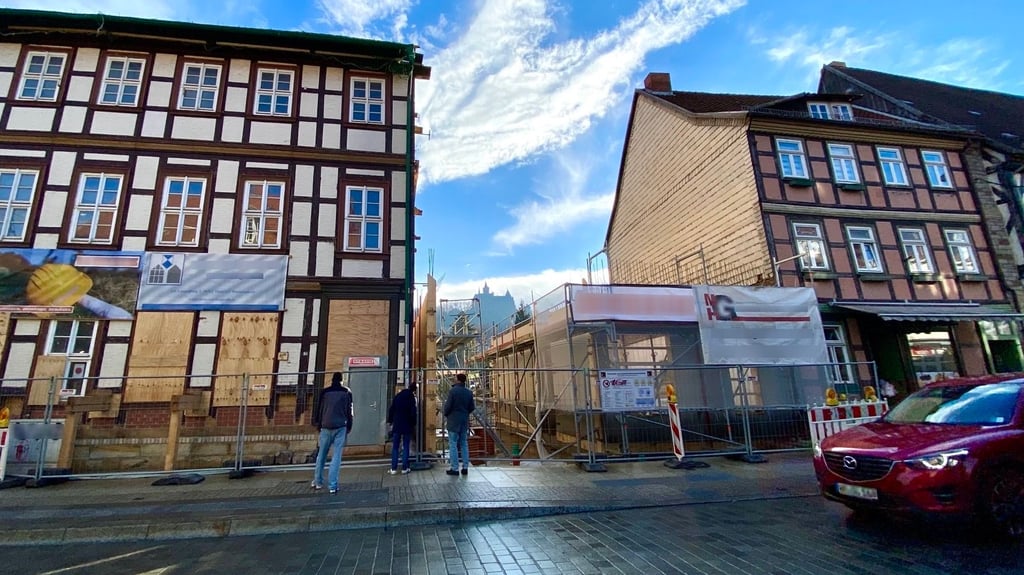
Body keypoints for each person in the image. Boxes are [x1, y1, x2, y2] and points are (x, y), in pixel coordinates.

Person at [311, 372, 354, 494]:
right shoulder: (346, 392)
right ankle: (332, 485)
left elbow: (319, 408)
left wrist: (318, 424)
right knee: (336, 456)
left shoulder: (325, 392)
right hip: (341, 426)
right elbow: (349, 410)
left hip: (325, 426)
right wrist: (349, 425)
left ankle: (318, 481)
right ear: (341, 380)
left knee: (322, 455)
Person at [442, 373, 475, 476]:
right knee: (464, 444)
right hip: (464, 421)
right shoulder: (469, 393)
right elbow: (472, 407)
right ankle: (465, 467)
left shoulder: (453, 391)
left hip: (453, 421)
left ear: (458, 380)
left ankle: (455, 468)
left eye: (455, 378)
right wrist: (465, 413)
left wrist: (446, 414)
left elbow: (447, 407)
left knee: (453, 444)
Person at [387, 382, 418, 475]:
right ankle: (405, 468)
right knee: (406, 446)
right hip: (407, 425)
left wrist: (390, 421)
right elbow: (413, 413)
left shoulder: (398, 396)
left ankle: (393, 468)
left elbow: (391, 409)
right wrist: (413, 423)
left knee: (395, 446)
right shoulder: (412, 398)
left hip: (397, 424)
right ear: (414, 390)